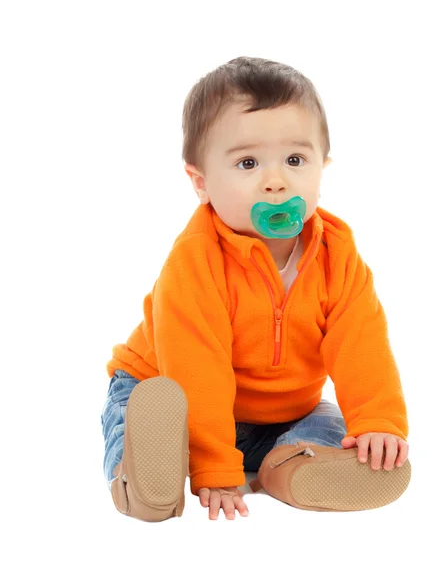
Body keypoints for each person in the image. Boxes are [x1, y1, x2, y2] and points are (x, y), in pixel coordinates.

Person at [101, 56, 411, 522]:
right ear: (201, 183)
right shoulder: (196, 261)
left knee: (330, 426)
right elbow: (195, 366)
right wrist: (213, 466)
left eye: (295, 159)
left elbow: (361, 344)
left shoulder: (337, 257)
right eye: (248, 162)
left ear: (321, 169)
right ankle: (145, 484)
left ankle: (289, 468)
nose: (275, 181)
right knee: (143, 422)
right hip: (171, 392)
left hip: (282, 414)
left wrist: (378, 422)